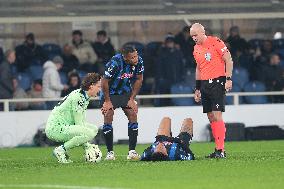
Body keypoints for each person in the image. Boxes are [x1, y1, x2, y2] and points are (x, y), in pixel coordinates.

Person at [190, 23, 233, 158]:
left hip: (217, 82)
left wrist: (228, 78)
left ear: (203, 32)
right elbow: (198, 68)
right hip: (204, 84)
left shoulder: (216, 42)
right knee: (210, 116)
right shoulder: (196, 48)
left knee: (217, 115)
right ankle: (217, 149)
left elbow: (228, 59)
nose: (194, 38)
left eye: (196, 35)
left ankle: (221, 150)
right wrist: (197, 88)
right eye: (192, 36)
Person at [45, 73, 101, 163]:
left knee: (93, 129)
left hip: (64, 126)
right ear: (91, 86)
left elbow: (81, 121)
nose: (100, 89)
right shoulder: (78, 97)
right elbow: (79, 124)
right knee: (89, 133)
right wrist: (87, 147)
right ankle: (60, 150)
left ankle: (63, 151)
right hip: (55, 129)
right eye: (98, 86)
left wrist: (87, 144)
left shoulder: (84, 96)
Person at [100, 45, 144, 160]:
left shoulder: (139, 61)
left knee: (133, 114)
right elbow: (104, 81)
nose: (136, 59)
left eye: (136, 56)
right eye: (133, 57)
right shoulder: (115, 63)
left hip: (125, 92)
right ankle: (110, 153)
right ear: (125, 58)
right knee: (108, 115)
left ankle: (132, 152)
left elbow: (139, 79)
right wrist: (107, 101)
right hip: (110, 93)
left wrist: (132, 99)